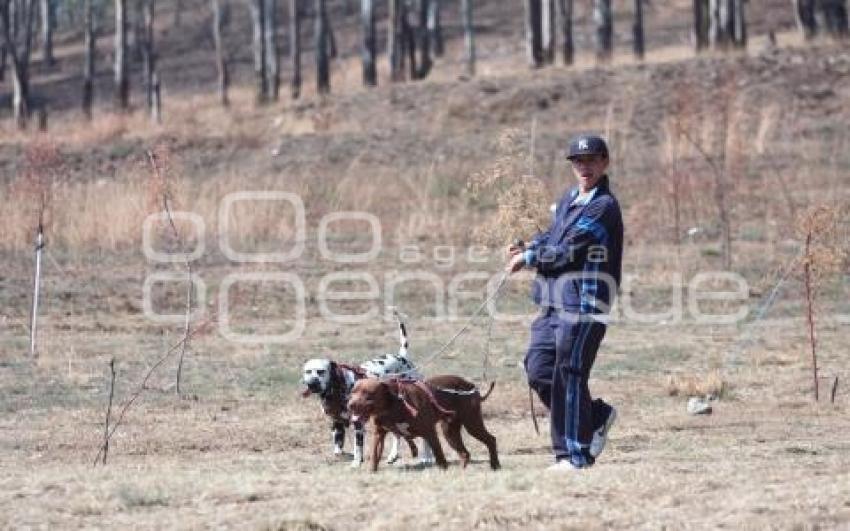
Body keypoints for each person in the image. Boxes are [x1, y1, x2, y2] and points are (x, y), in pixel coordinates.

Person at [505, 134, 623, 470]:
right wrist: (528, 244)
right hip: (553, 303)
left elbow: (569, 248)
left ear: (604, 163)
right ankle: (596, 416)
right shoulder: (570, 197)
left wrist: (530, 257)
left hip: (584, 305)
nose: (584, 167)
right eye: (578, 161)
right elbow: (554, 236)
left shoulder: (604, 206)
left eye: (592, 160)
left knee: (569, 375)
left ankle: (574, 455)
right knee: (539, 369)